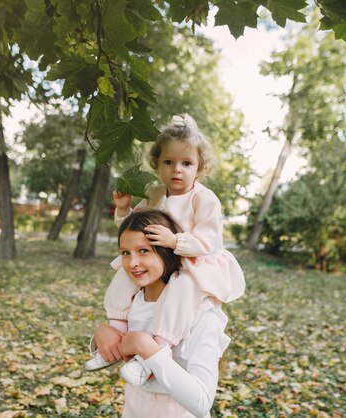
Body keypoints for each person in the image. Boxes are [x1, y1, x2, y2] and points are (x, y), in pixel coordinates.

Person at [85, 114, 245, 386]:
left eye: (186, 163)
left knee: (182, 288)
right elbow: (134, 229)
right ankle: (116, 336)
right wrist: (124, 208)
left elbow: (209, 243)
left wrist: (175, 241)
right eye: (168, 162)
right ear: (157, 164)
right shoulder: (156, 194)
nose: (177, 170)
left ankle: (152, 353)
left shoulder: (203, 199)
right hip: (158, 259)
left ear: (200, 167)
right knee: (124, 273)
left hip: (193, 260)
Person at [92, 210, 230, 418]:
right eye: (125, 252)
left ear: (166, 251)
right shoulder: (133, 300)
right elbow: (123, 348)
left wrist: (150, 351)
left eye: (144, 251)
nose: (132, 263)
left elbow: (202, 403)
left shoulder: (201, 313)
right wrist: (100, 336)